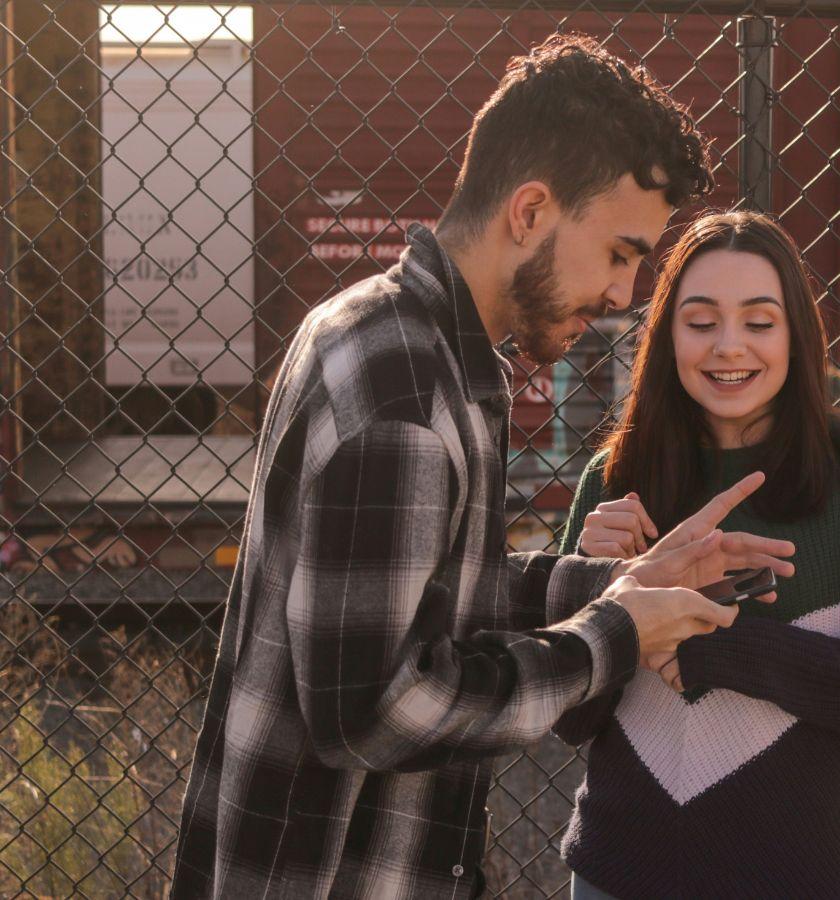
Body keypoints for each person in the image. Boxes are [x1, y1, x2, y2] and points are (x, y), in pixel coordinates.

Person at [170, 36, 797, 898]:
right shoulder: (406, 394)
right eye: (620, 252)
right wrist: (615, 638)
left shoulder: (381, 333)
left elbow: (417, 591)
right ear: (532, 211)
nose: (624, 294)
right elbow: (376, 711)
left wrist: (616, 583)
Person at [552, 211, 840, 899]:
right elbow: (567, 717)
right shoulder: (612, 479)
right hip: (618, 877)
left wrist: (721, 649)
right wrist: (589, 587)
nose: (728, 347)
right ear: (666, 334)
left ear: (797, 333)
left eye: (759, 322)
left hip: (802, 878)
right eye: (701, 322)